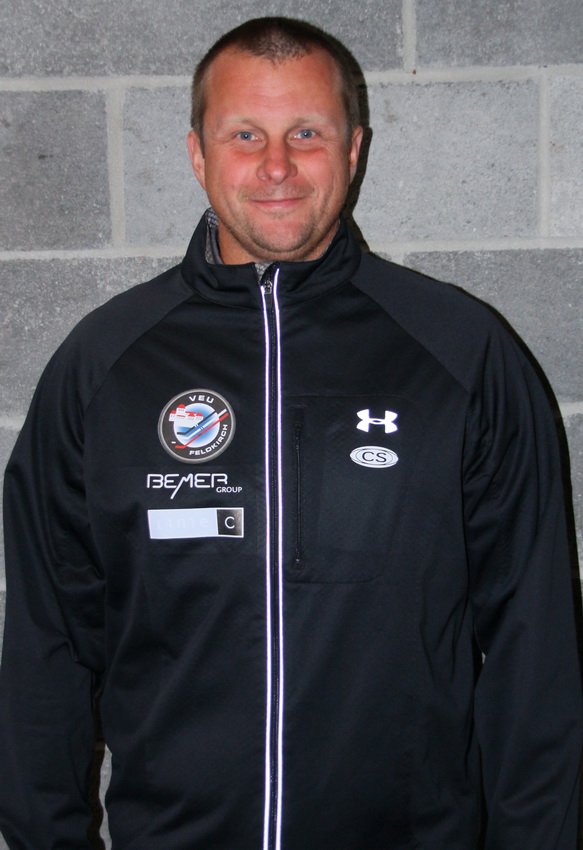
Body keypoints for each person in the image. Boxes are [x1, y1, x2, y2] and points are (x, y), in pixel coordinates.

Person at [0, 16, 581, 850]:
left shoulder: (459, 353)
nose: (276, 165)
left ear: (353, 150)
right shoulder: (104, 365)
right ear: (197, 154)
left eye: (306, 132)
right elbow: (48, 645)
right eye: (245, 134)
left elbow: (534, 648)